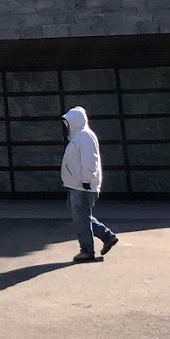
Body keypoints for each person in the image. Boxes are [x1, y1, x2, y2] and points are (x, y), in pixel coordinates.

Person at [61, 106, 118, 263]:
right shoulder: (79, 136)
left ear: (76, 121)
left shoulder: (85, 136)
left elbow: (89, 160)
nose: (66, 126)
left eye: (68, 122)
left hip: (83, 185)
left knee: (81, 218)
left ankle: (86, 251)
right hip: (77, 184)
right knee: (82, 216)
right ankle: (107, 236)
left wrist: (87, 180)